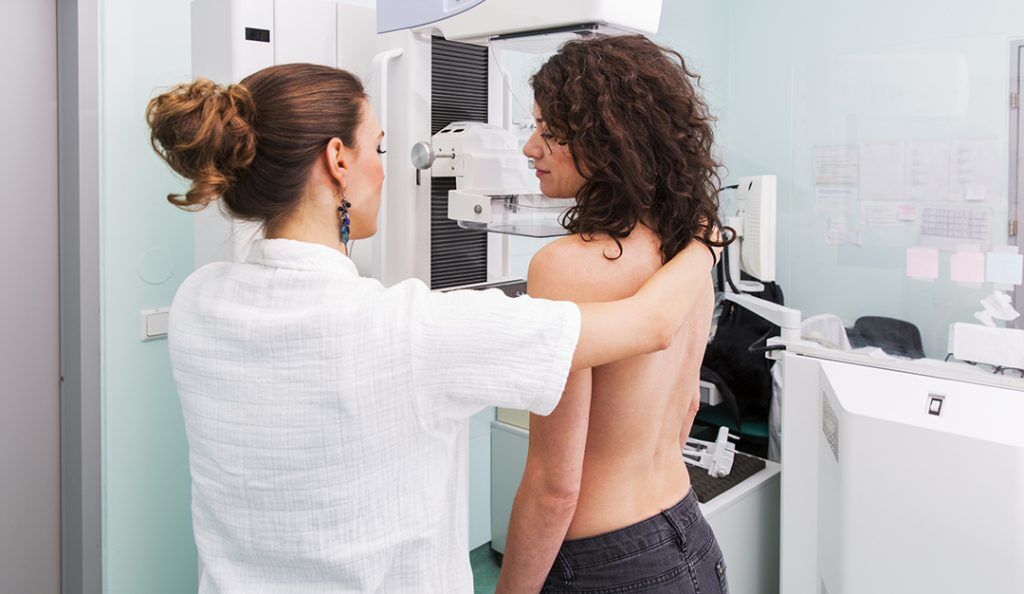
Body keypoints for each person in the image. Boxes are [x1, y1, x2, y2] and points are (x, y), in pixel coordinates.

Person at [145, 63, 720, 593]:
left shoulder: (197, 301)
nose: (387, 167)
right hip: (683, 527)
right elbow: (652, 326)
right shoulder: (412, 330)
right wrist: (706, 235)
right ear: (338, 160)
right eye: (380, 147)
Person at [497, 36, 730, 594]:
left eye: (549, 132)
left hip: (608, 564)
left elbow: (556, 484)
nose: (530, 148)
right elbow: (686, 406)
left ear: (609, 140)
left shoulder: (566, 267)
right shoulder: (689, 246)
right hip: (689, 534)